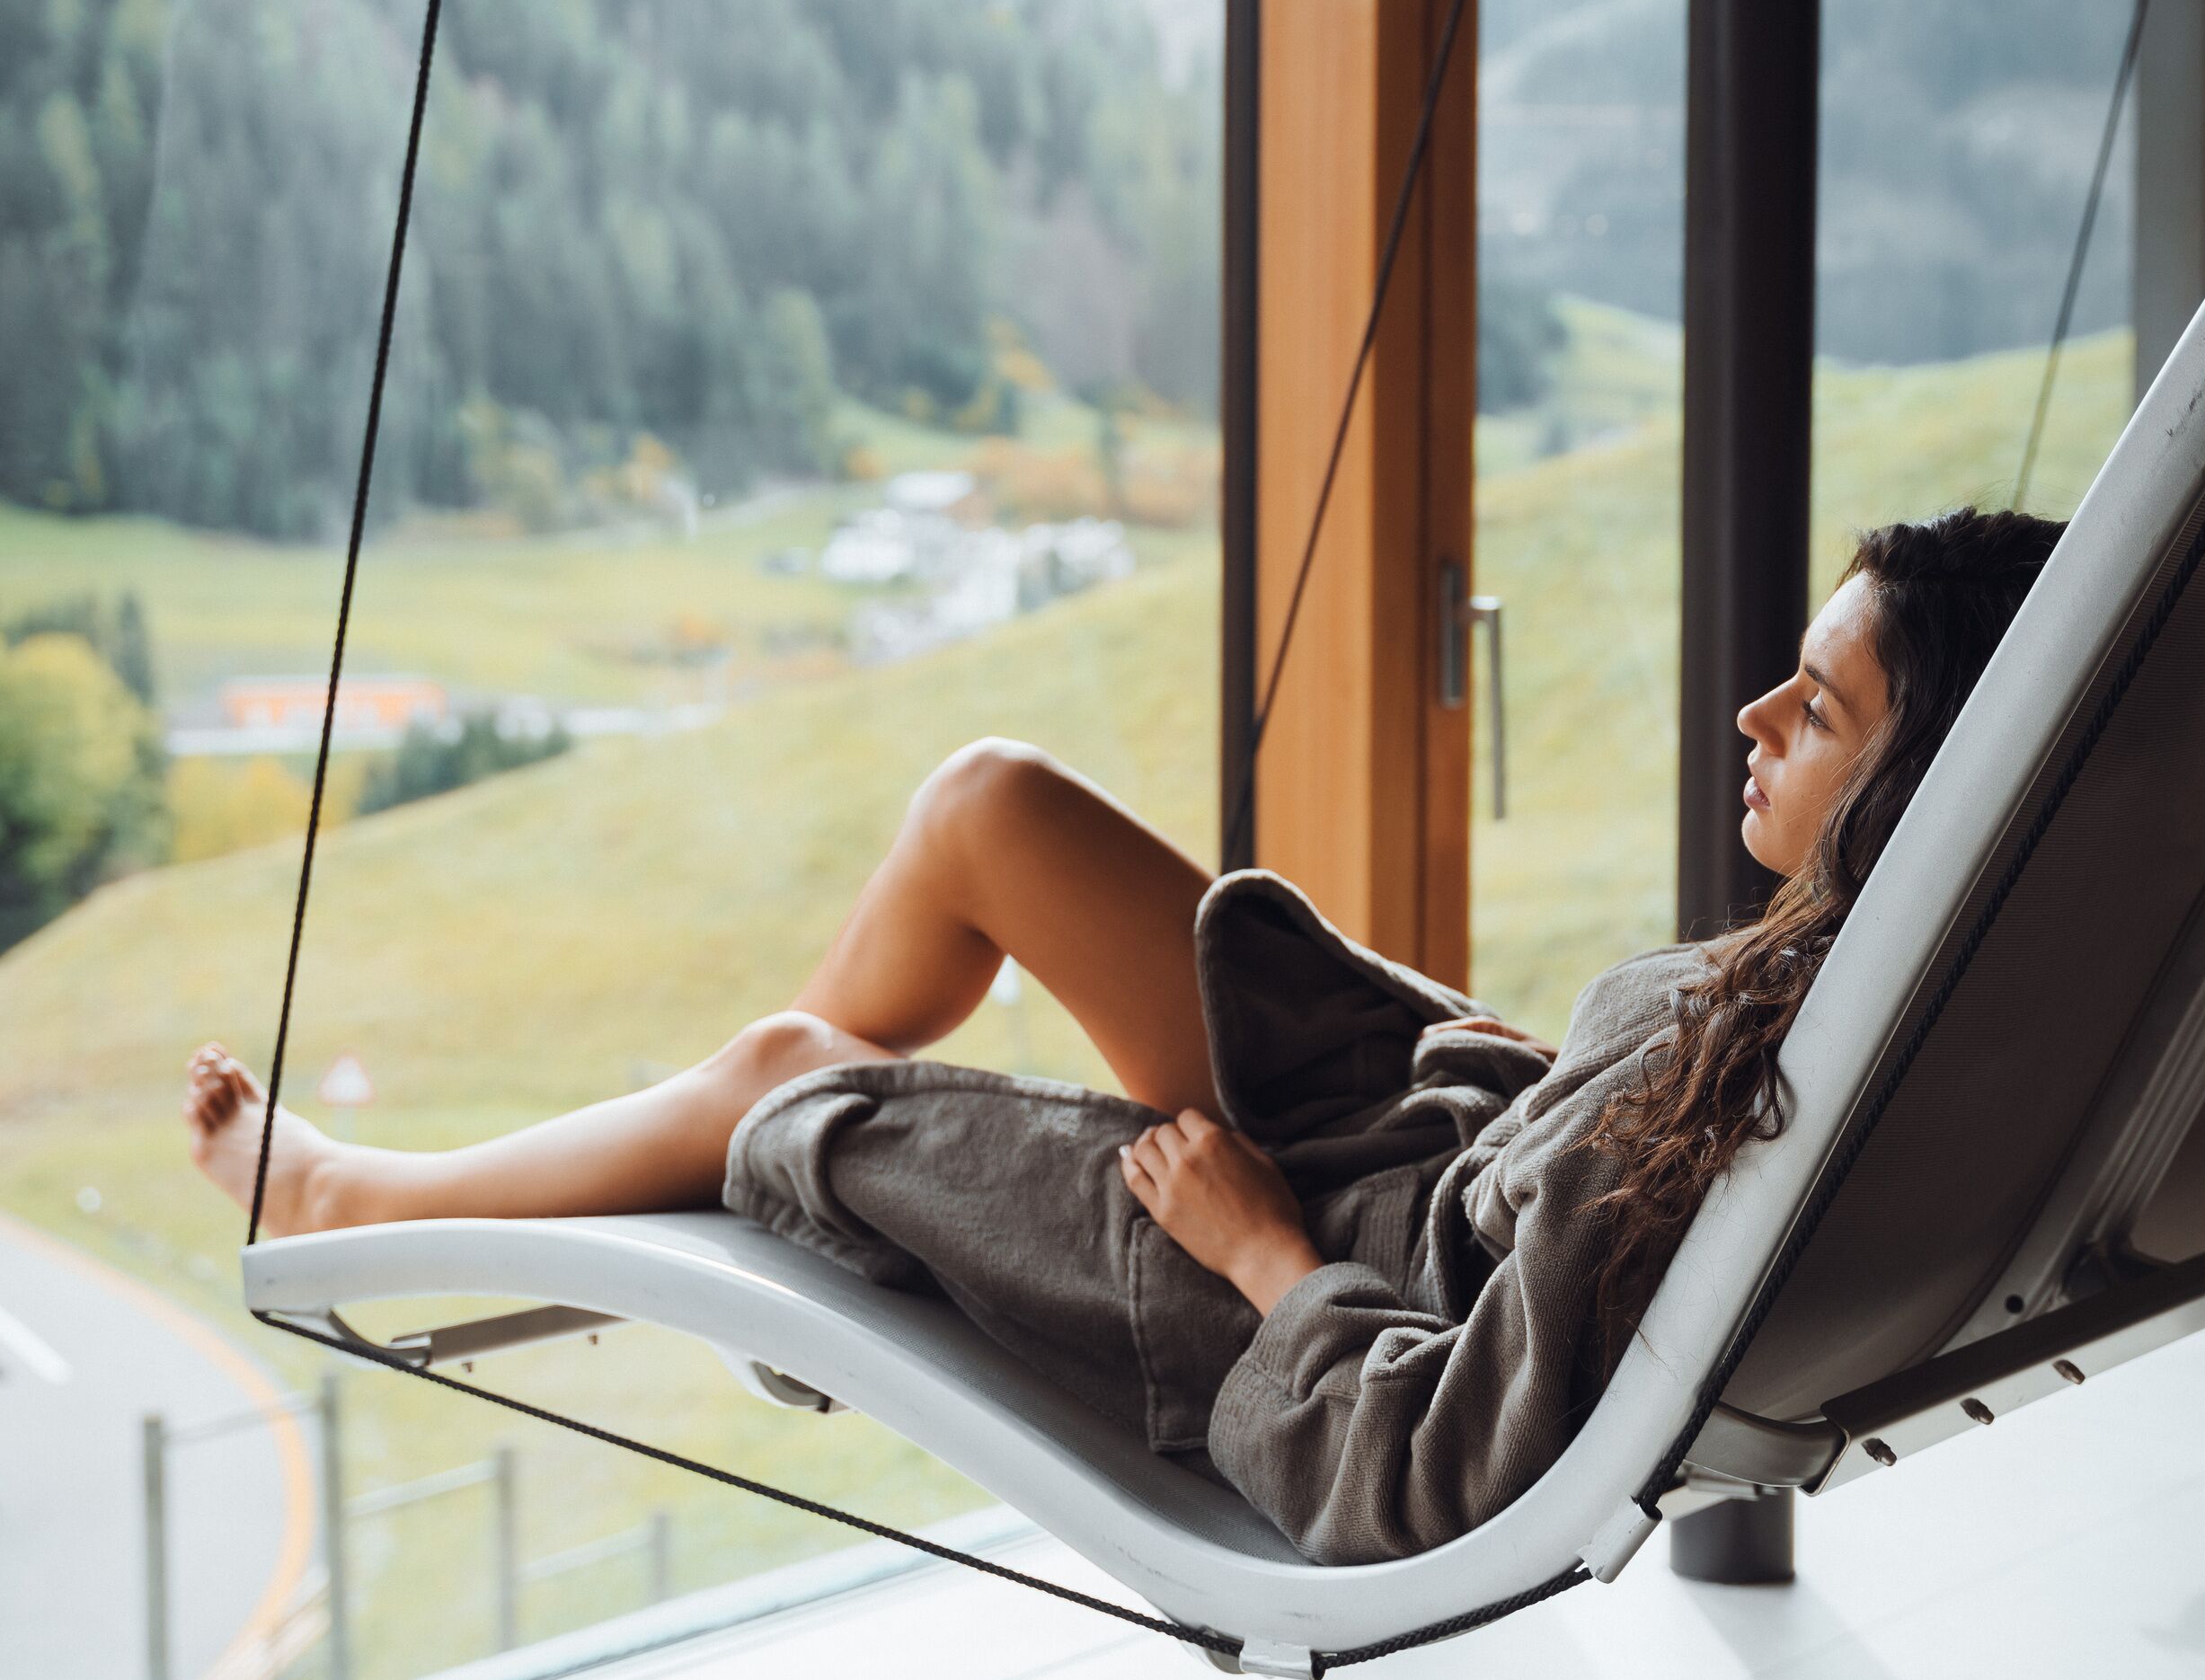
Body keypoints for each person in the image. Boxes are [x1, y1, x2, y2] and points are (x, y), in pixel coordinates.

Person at [187, 506, 2061, 1562]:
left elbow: (1432, 1473)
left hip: (1293, 1254)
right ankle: (813, 1215)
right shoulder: (1921, 994)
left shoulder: (1777, 1063)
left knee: (778, 1081)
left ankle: (380, 1194)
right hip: (1400, 1149)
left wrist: (1256, 1252)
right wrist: (1491, 1061)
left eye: (1811, 713)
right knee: (986, 805)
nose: (1749, 713)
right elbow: (1575, 1193)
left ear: (1923, 787)